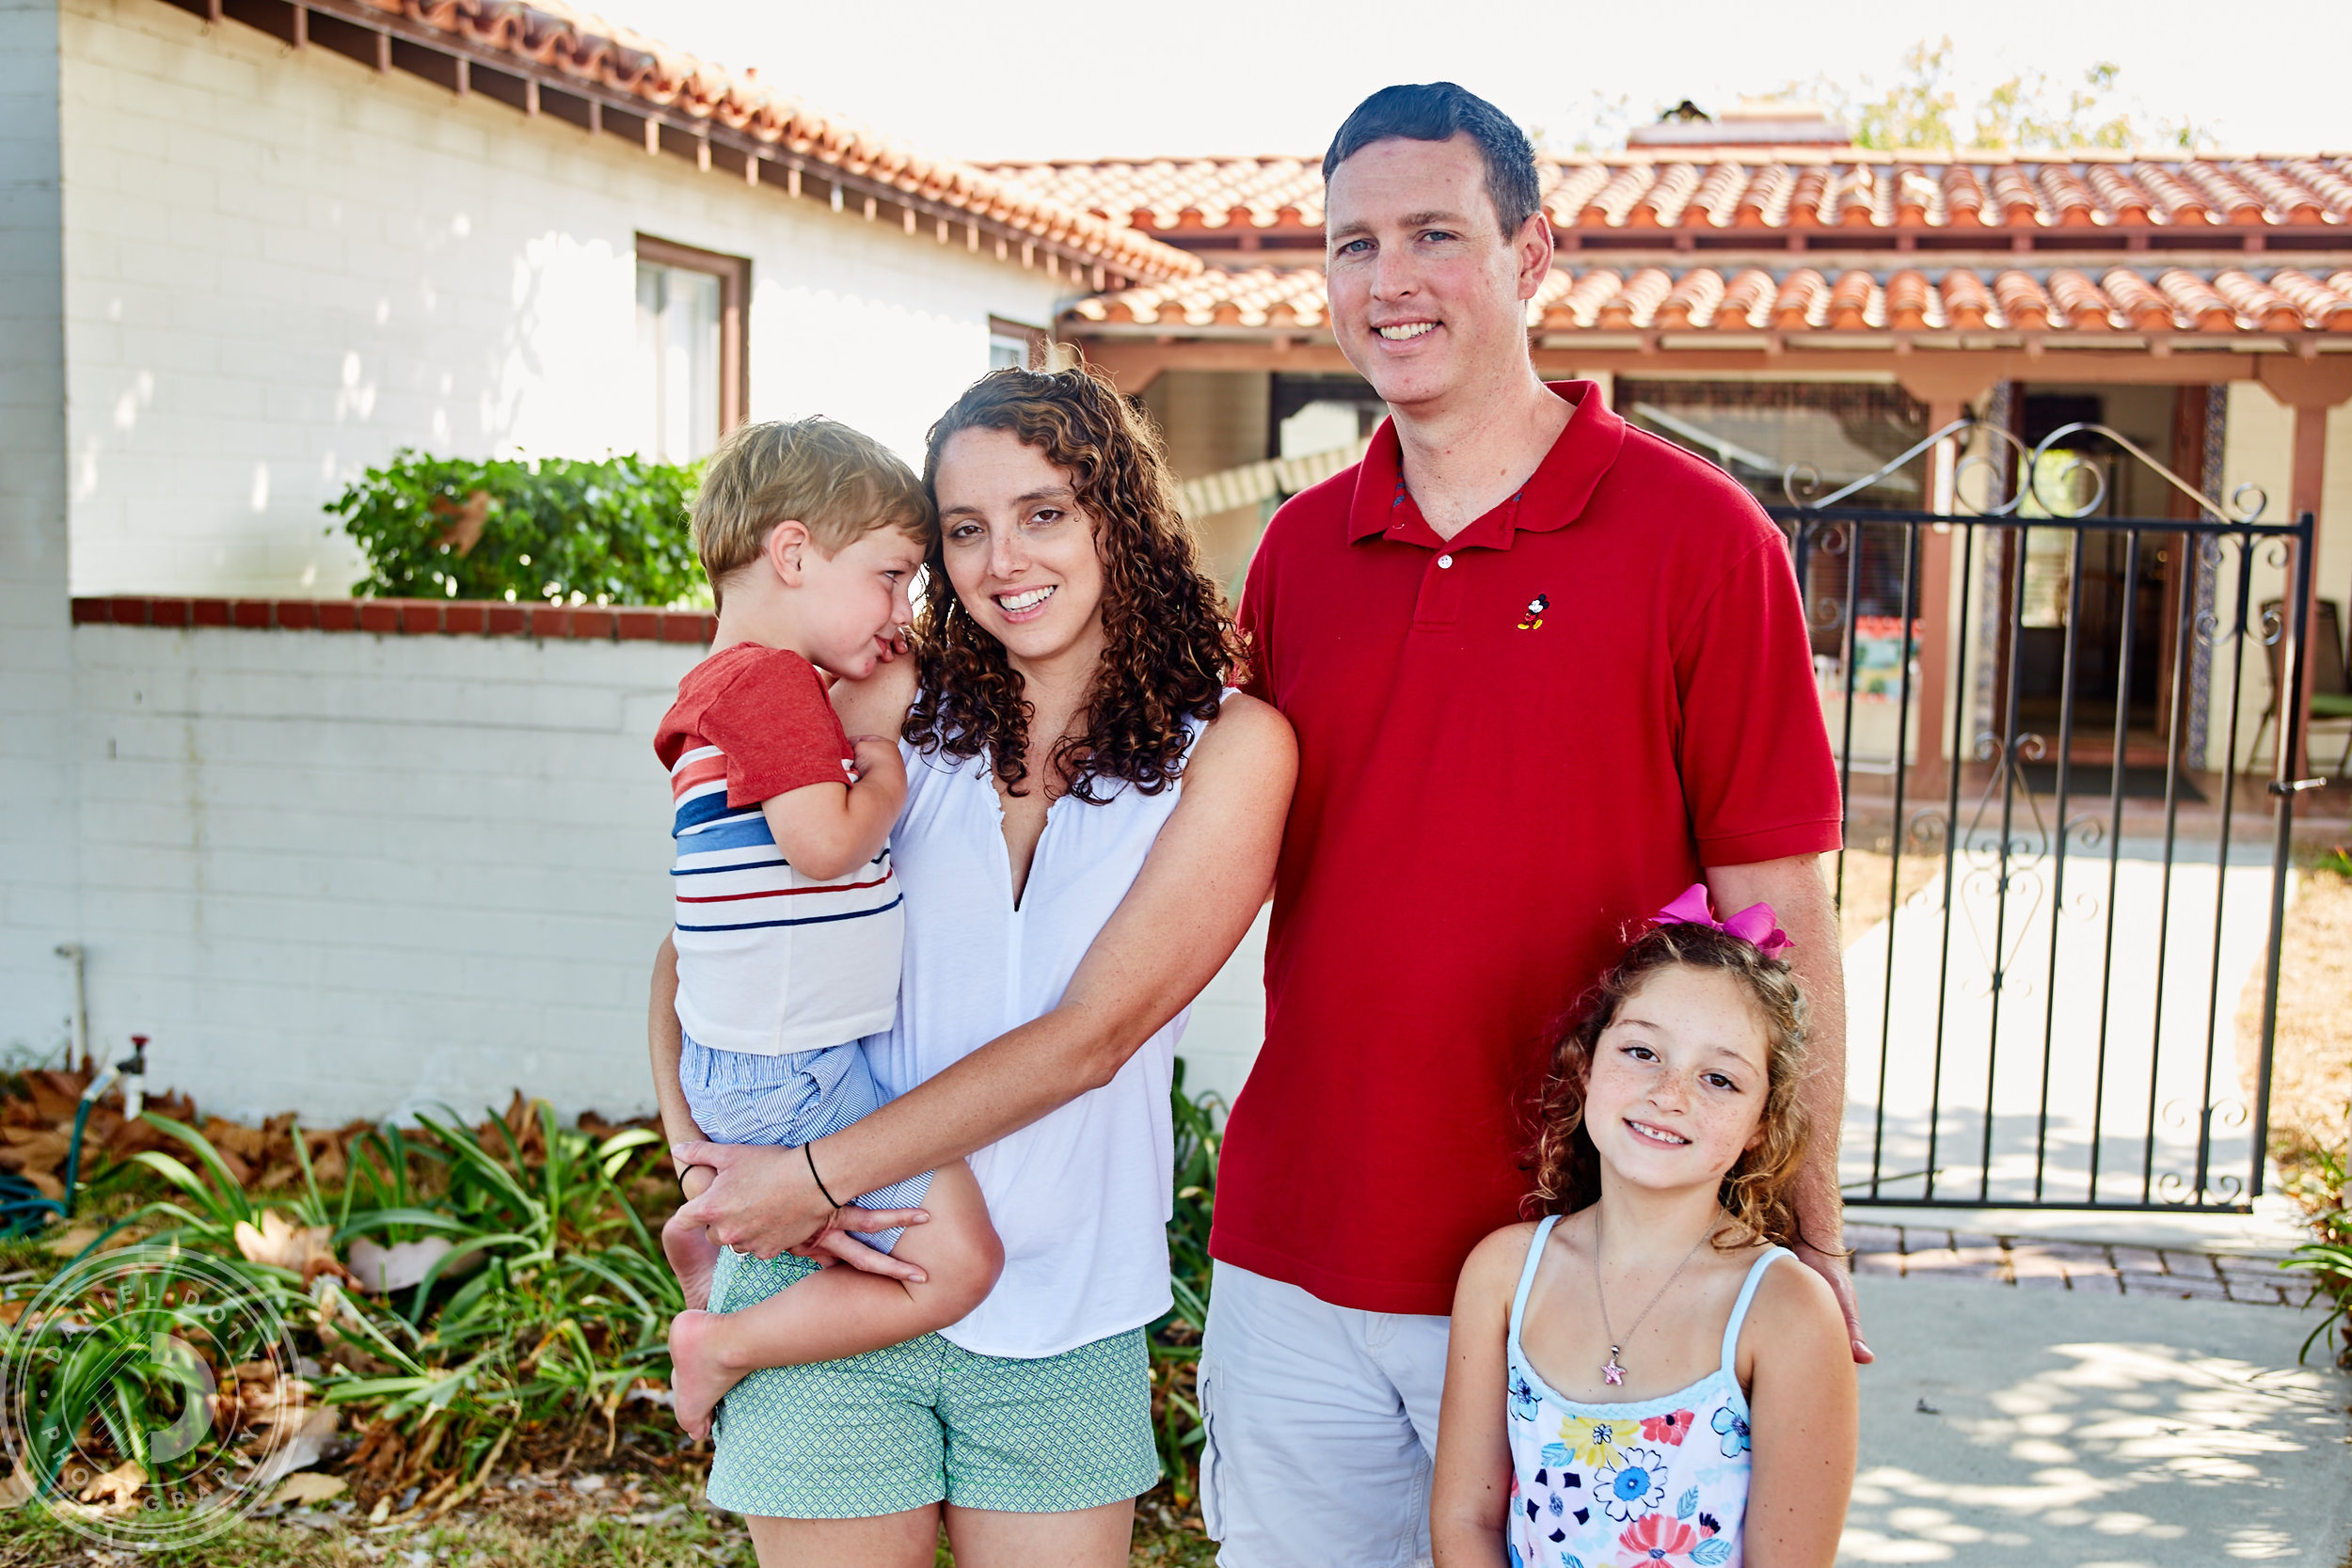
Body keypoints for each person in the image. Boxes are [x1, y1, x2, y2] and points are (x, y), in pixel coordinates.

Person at [1201, 81, 1858, 1566]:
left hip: (1585, 1271)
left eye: (1436, 232)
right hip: (1295, 1260)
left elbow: (1785, 916)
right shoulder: (1300, 552)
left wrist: (1807, 1229)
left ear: (1533, 252)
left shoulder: (1704, 544)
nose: (1391, 280)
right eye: (1353, 244)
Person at [648, 366, 1296, 1568]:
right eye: (961, 529)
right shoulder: (885, 721)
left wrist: (817, 1171)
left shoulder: (1234, 747)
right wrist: (705, 1152)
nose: (1003, 558)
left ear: (1118, 515)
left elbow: (1094, 1034)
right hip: (823, 1290)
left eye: (1043, 511)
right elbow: (697, 939)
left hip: (1065, 1302)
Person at [649, 417, 1003, 1443]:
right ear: (793, 553)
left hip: (764, 1058)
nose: (903, 609)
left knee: (852, 1230)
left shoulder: (720, 690)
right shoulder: (769, 683)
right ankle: (719, 1341)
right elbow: (825, 844)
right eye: (892, 576)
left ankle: (716, 1256)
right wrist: (879, 746)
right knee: (958, 1257)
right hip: (788, 1070)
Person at [1429, 889, 1858, 1568]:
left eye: (1719, 1078)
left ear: (1762, 1127)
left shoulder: (1784, 1312)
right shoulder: (1505, 1274)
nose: (1670, 1092)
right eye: (1642, 1051)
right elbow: (1465, 1519)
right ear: (1586, 1063)